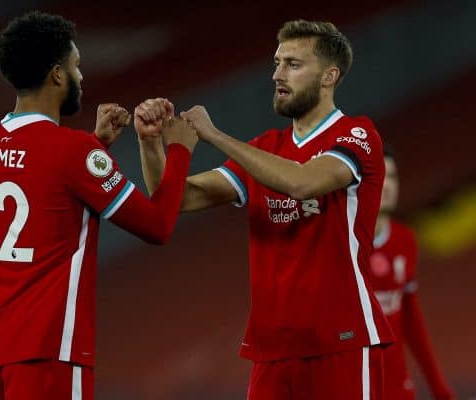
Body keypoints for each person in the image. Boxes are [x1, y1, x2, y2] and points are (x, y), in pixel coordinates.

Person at [135, 20, 394, 399]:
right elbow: (177, 197)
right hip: (271, 351)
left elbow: (302, 182)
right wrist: (150, 143)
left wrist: (215, 135)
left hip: (342, 342)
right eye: (276, 63)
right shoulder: (266, 148)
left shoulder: (357, 134)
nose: (277, 74)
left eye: (293, 64)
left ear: (329, 76)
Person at [0, 11, 197, 400]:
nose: (81, 76)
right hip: (49, 348)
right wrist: (178, 148)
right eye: (76, 65)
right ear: (57, 75)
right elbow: (157, 226)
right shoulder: (72, 151)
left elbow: (46, 189)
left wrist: (97, 144)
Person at [371, 149, 455, 400]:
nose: (389, 186)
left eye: (394, 177)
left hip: (397, 385)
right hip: (351, 383)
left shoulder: (405, 240)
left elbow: (411, 320)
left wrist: (439, 388)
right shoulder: (341, 243)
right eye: (381, 176)